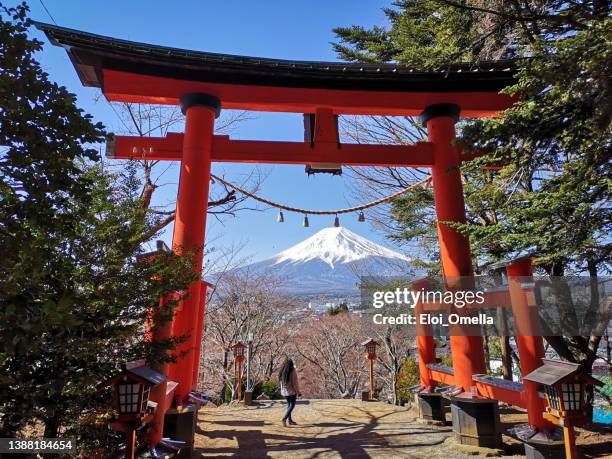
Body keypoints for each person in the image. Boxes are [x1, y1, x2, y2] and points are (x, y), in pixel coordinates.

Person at [278, 358, 300, 426]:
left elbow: (280, 382)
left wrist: (282, 390)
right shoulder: (292, 371)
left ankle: (290, 421)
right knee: (292, 405)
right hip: (291, 391)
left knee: (289, 405)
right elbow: (295, 383)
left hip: (284, 391)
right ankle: (284, 418)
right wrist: (298, 392)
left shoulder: (282, 371)